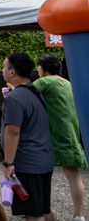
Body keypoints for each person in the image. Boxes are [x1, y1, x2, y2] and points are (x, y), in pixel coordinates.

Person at [1, 52, 54, 221]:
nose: (2, 70)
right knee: (44, 210)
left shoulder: (14, 98)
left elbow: (12, 132)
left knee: (33, 214)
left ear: (12, 72)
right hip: (44, 160)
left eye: (4, 66)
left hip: (27, 164)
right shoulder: (36, 93)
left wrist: (8, 163)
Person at [34, 54, 87, 221]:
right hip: (71, 133)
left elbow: (25, 94)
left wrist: (11, 90)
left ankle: (41, 212)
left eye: (38, 67)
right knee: (73, 174)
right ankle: (79, 215)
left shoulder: (44, 82)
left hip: (52, 135)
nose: (37, 70)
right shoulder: (69, 84)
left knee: (39, 174)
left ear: (43, 69)